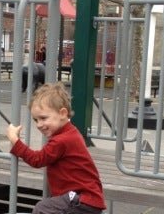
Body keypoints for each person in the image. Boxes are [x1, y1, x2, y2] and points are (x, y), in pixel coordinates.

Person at [6, 82, 106, 214]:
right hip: (86, 198)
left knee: (42, 208)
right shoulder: (70, 133)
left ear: (63, 113)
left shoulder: (62, 140)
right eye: (36, 120)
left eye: (43, 118)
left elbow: (37, 159)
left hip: (82, 199)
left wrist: (15, 140)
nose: (39, 124)